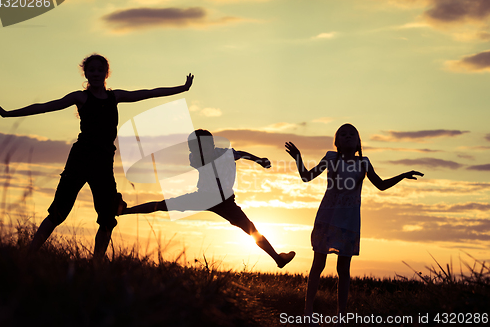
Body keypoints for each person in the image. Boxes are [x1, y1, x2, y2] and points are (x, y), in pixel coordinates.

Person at [0, 53, 194, 260]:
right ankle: (28, 255)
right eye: (91, 70)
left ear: (106, 73)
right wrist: (7, 113)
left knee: (107, 217)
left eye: (100, 70)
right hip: (80, 158)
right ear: (85, 73)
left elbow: (148, 93)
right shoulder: (80, 98)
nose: (95, 73)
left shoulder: (116, 97)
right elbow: (45, 107)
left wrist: (181, 88)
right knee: (59, 212)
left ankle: (96, 265)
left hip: (103, 163)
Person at [285, 123, 423, 321]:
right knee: (318, 264)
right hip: (327, 217)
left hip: (349, 222)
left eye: (352, 134)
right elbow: (307, 177)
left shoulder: (364, 163)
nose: (348, 136)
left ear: (358, 142)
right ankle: (308, 313)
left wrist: (402, 175)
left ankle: (341, 317)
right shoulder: (330, 158)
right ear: (337, 142)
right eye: (343, 134)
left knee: (343, 270)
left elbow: (381, 185)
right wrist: (298, 157)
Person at [121, 129, 296, 268]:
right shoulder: (196, 157)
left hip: (225, 201)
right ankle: (124, 210)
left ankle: (278, 259)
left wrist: (258, 160)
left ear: (211, 144)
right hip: (204, 197)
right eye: (194, 147)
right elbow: (204, 159)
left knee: (251, 229)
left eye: (201, 145)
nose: (196, 150)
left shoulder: (224, 153)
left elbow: (241, 153)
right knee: (163, 205)